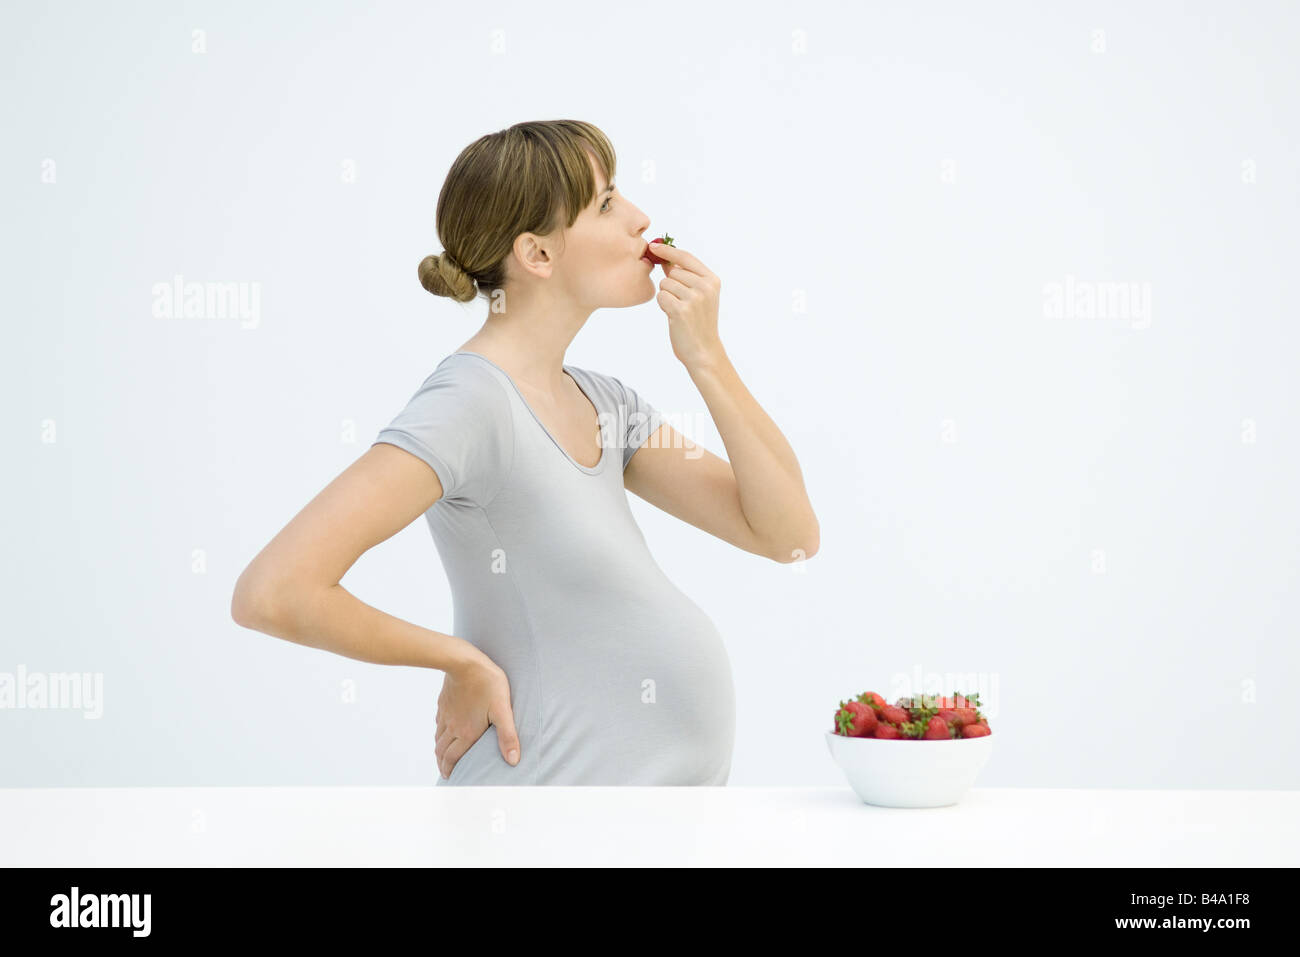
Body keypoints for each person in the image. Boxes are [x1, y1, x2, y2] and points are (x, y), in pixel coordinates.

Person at [231, 119, 819, 784]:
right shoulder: (471, 403)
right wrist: (459, 660)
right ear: (537, 255)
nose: (640, 218)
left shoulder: (605, 404)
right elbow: (272, 590)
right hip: (540, 811)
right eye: (604, 203)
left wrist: (706, 357)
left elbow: (788, 534)